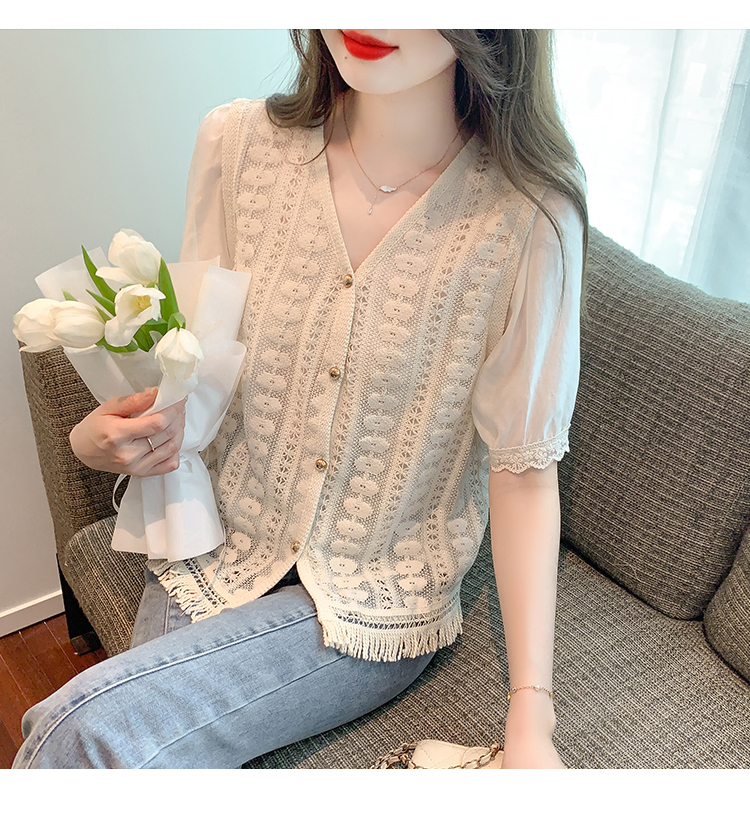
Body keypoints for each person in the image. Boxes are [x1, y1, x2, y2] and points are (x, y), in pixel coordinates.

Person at [13, 29, 587, 769]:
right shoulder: (235, 146)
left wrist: (531, 715)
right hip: (211, 549)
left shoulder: (529, 213)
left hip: (370, 601)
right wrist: (101, 441)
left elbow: (525, 469)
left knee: (83, 734)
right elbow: (202, 370)